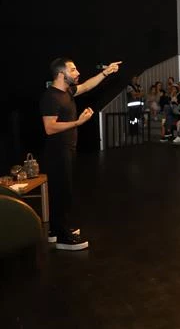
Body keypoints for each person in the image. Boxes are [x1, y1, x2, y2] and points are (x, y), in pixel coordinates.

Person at [41, 58, 121, 250]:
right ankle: (63, 238)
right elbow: (49, 128)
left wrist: (105, 73)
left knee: (62, 191)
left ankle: (55, 230)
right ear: (61, 74)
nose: (77, 72)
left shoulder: (67, 91)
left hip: (66, 149)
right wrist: (78, 122)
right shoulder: (50, 97)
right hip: (57, 152)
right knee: (62, 192)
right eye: (73, 69)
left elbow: (86, 87)